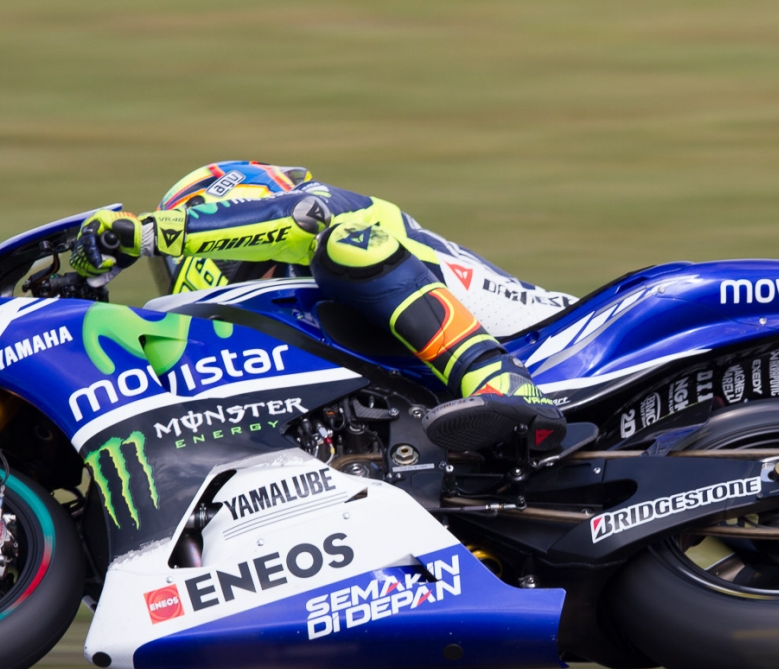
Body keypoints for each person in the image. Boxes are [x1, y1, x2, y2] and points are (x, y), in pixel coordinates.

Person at [71, 160, 575, 454]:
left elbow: (300, 216)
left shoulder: (326, 206)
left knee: (347, 245)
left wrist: (148, 233)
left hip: (553, 344)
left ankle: (502, 381)